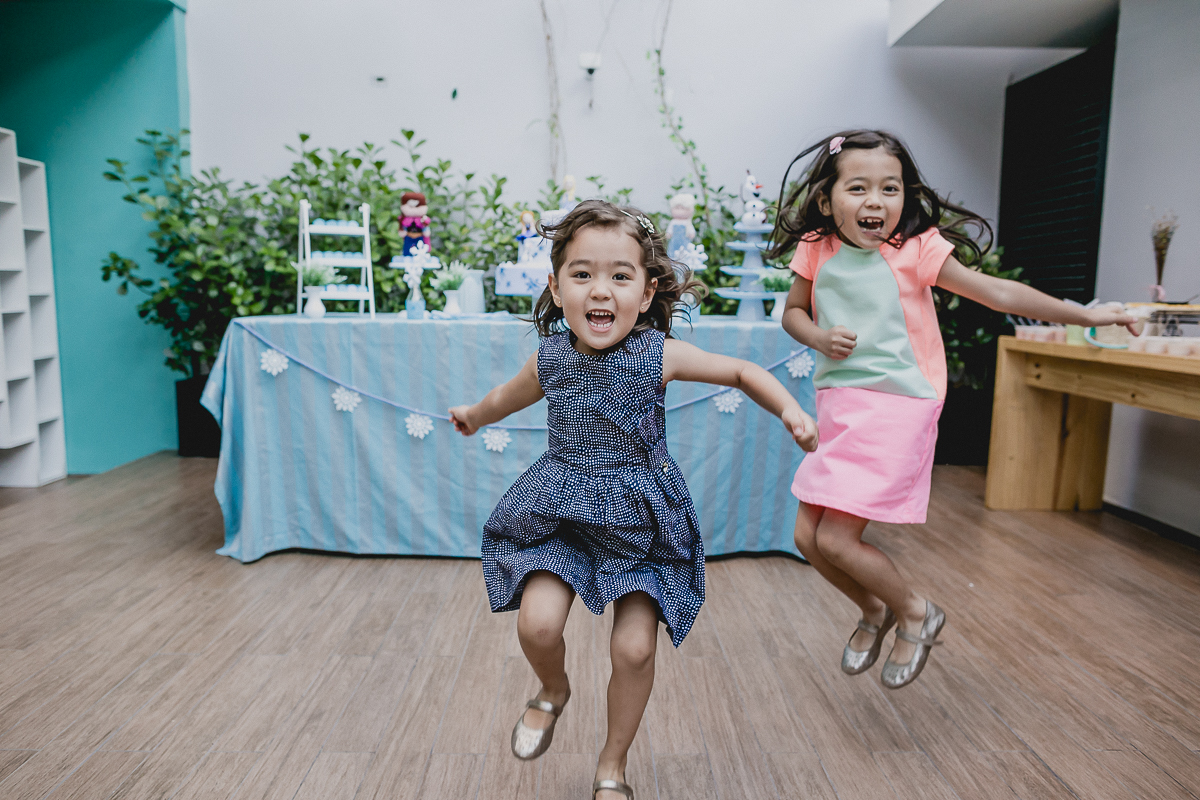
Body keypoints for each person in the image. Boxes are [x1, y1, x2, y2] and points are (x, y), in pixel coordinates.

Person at [449, 199, 817, 800]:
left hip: (640, 520)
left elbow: (743, 373)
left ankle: (612, 766)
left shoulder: (657, 355)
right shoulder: (551, 359)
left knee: (636, 648)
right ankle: (552, 689)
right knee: (538, 626)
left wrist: (791, 410)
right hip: (560, 511)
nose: (602, 291)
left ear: (646, 293)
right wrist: (472, 415)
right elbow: (502, 399)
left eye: (621, 276)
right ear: (556, 286)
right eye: (583, 274)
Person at [768, 130, 1135, 689]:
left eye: (889, 189)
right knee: (806, 538)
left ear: (905, 198)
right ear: (827, 200)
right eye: (859, 188)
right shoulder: (817, 247)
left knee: (838, 539)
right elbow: (793, 312)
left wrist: (1087, 315)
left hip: (897, 404)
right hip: (841, 403)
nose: (876, 201)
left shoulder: (916, 250)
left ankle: (916, 611)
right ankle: (874, 609)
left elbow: (999, 294)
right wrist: (817, 337)